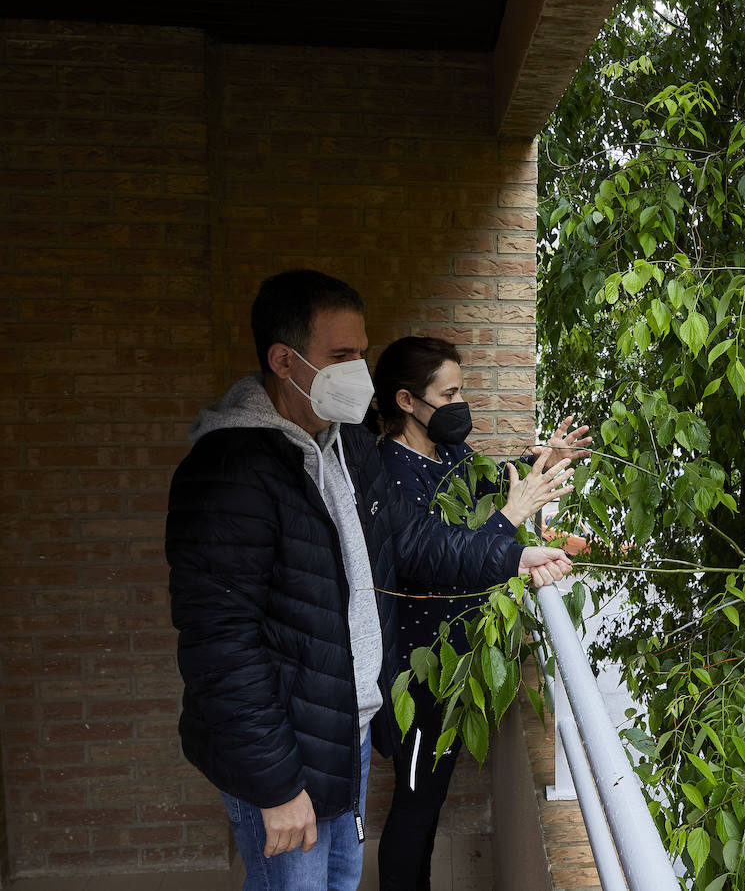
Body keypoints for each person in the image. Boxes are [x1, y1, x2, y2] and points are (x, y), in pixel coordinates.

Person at [166, 271, 574, 891]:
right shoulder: (230, 473)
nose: (359, 370)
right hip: (288, 754)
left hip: (344, 729)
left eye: (361, 352)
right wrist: (276, 787)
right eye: (341, 356)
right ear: (284, 359)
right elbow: (221, 646)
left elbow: (409, 544)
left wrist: (509, 557)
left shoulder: (347, 445)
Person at [371, 335, 591, 891]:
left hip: (451, 662)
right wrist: (510, 520)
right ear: (406, 401)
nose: (460, 404)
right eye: (450, 394)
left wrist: (541, 461)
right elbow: (430, 556)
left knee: (433, 793)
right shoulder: (386, 473)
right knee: (417, 802)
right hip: (417, 672)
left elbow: (488, 486)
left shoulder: (448, 455)